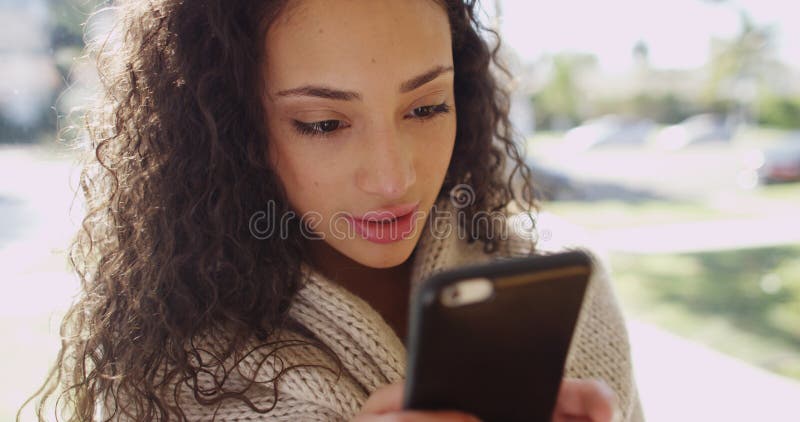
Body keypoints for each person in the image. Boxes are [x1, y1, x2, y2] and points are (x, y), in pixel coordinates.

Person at [22, 0, 644, 421]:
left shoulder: (564, 284)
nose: (393, 176)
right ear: (230, 128)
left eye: (427, 108)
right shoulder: (175, 372)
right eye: (323, 123)